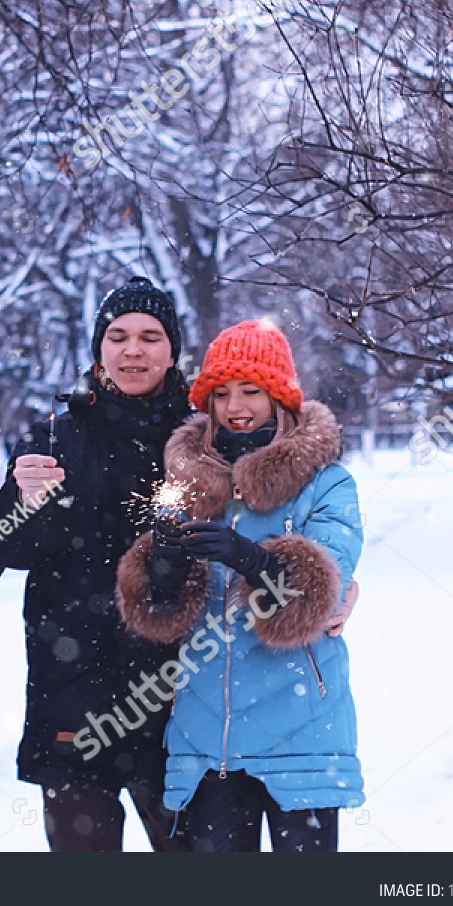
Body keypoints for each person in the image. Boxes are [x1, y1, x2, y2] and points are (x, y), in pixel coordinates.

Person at [116, 318, 364, 852]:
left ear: (279, 397)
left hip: (302, 731)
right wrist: (162, 562)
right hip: (209, 740)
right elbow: (158, 611)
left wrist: (252, 558)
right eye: (221, 393)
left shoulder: (327, 483)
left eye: (251, 390)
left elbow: (324, 588)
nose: (235, 406)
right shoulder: (186, 486)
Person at [0, 277, 198, 851]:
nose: (133, 350)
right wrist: (21, 502)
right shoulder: (54, 434)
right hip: (74, 695)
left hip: (179, 699)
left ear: (173, 350)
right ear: (98, 347)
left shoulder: (203, 437)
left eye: (150, 337)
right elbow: (7, 551)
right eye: (118, 335)